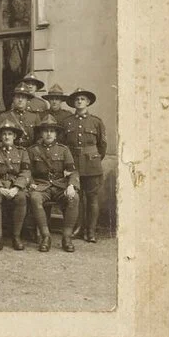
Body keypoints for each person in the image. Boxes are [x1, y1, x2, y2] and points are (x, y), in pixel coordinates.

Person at [27, 115, 80, 252]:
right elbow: (27, 171)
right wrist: (31, 183)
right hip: (42, 186)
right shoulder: (33, 150)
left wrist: (71, 186)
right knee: (34, 197)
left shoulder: (63, 149)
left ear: (56, 134)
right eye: (45, 131)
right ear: (41, 133)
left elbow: (72, 171)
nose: (49, 134)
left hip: (60, 186)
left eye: (52, 131)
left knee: (74, 198)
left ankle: (67, 237)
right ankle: (46, 236)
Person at [61, 87, 107, 243]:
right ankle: (77, 228)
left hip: (92, 164)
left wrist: (94, 158)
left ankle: (91, 231)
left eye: (82, 99)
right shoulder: (67, 122)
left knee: (92, 198)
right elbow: (62, 144)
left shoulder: (96, 121)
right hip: (73, 163)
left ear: (88, 102)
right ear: (73, 103)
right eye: (77, 99)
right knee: (76, 197)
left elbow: (102, 145)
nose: (79, 101)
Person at [0, 118, 31, 253]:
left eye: (10, 134)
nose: (6, 137)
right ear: (0, 137)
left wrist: (16, 187)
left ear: (15, 136)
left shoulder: (22, 152)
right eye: (4, 134)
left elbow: (26, 172)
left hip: (16, 185)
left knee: (21, 198)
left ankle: (16, 236)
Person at [0, 83, 40, 149]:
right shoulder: (4, 116)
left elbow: (39, 138)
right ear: (13, 99)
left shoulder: (34, 117)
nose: (20, 100)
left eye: (23, 98)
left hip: (30, 152)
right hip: (11, 152)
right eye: (18, 97)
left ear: (27, 100)